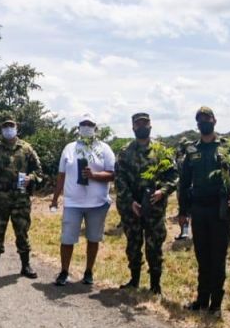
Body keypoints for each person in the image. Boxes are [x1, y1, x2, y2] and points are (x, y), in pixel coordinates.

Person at [177, 107, 230, 315]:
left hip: (220, 209)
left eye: (206, 119)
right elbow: (185, 183)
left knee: (218, 256)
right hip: (198, 209)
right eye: (200, 121)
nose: (203, 123)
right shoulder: (191, 151)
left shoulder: (226, 148)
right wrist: (183, 211)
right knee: (202, 256)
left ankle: (216, 303)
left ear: (214, 120)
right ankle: (201, 299)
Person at [114, 112, 178, 294]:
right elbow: (120, 179)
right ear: (133, 127)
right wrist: (130, 201)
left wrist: (162, 192)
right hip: (131, 209)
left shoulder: (162, 151)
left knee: (154, 246)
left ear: (150, 125)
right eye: (138, 124)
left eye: (145, 123)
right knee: (133, 245)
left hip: (154, 208)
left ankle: (155, 285)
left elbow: (173, 176)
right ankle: (134, 280)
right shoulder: (125, 152)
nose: (142, 126)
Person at [50, 114, 116, 286]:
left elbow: (113, 174)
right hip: (73, 203)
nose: (86, 126)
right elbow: (61, 175)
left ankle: (88, 272)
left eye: (90, 124)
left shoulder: (104, 148)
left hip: (97, 203)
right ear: (78, 127)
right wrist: (55, 198)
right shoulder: (70, 148)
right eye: (83, 124)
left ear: (95, 127)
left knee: (93, 238)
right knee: (67, 239)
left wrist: (94, 175)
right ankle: (64, 271)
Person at [0, 118, 43, 279]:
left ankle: (26, 266)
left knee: (22, 232)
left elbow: (38, 171)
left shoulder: (26, 148)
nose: (8, 129)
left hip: (20, 198)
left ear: (17, 128)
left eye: (11, 126)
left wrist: (31, 177)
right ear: (1, 130)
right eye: (5, 127)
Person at [174, 139, 192, 240]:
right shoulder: (194, 156)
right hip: (193, 188)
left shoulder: (182, 159)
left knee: (183, 212)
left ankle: (184, 233)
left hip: (184, 188)